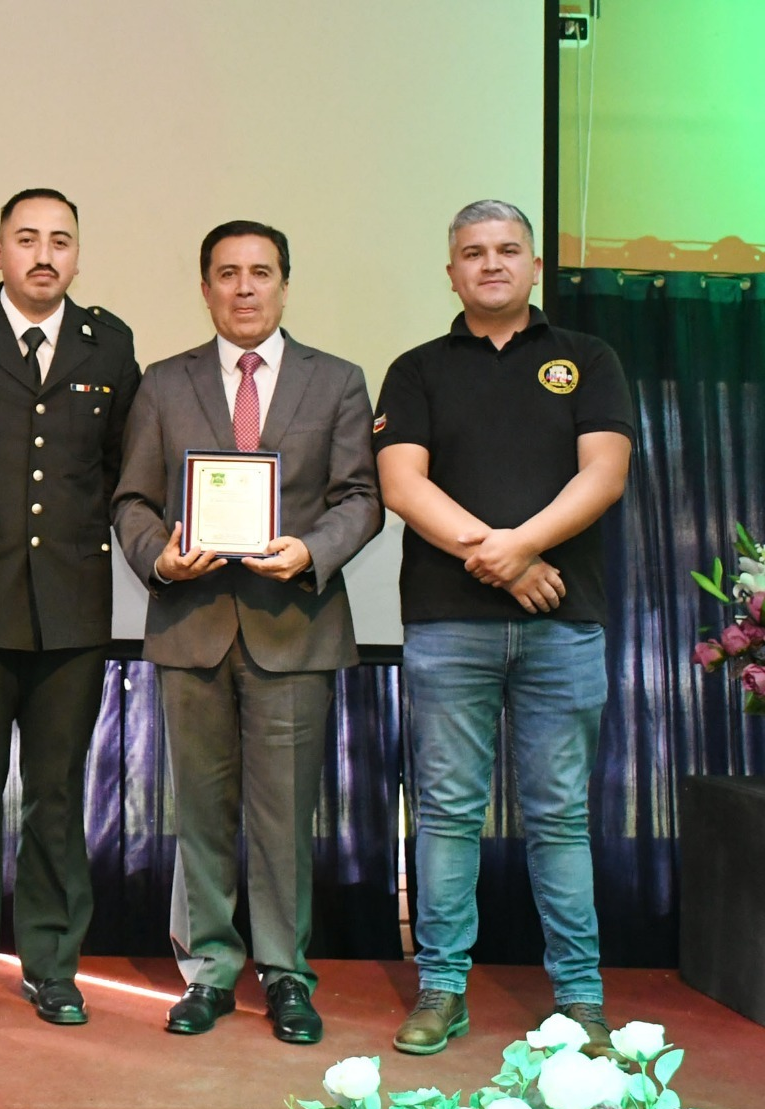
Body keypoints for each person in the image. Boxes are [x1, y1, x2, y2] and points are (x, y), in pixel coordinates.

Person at [374, 200, 632, 1059]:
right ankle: (442, 989)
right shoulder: (416, 369)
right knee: (446, 814)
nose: (490, 264)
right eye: (472, 253)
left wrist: (520, 548)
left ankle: (582, 1002)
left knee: (559, 815)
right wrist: (506, 559)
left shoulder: (586, 359)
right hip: (450, 627)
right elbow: (402, 485)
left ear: (533, 269)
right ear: (450, 271)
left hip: (566, 625)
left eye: (507, 251)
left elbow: (606, 472)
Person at [112, 220, 381, 1043]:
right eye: (226, 274)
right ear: (205, 289)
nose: (244, 288)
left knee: (281, 816)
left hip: (292, 626)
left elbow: (361, 499)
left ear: (285, 285)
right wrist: (163, 559)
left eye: (260, 272)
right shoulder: (163, 383)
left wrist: (311, 551)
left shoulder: (337, 381)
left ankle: (288, 974)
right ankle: (210, 970)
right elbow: (131, 502)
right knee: (198, 810)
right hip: (192, 625)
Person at [0, 189, 140, 1027]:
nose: (44, 254)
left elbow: (124, 471)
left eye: (61, 241)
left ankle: (51, 964)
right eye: (27, 239)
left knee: (56, 793)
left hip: (72, 610)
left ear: (77, 255)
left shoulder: (108, 344)